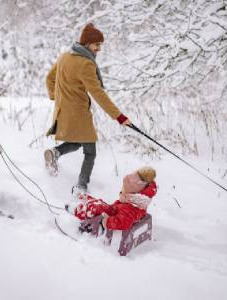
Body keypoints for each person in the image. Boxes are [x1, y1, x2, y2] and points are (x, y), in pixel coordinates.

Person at [44, 23, 131, 195]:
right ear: (87, 43)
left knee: (77, 142)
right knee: (90, 150)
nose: (99, 49)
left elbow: (49, 79)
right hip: (79, 112)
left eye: (100, 45)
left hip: (64, 109)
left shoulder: (65, 56)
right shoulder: (86, 64)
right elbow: (98, 93)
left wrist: (57, 98)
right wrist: (119, 117)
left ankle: (55, 153)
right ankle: (81, 187)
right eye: (96, 44)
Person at [67, 167, 157, 231]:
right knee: (99, 203)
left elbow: (123, 223)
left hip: (110, 217)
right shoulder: (134, 200)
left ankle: (75, 209)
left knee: (95, 209)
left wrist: (106, 221)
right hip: (114, 211)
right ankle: (82, 197)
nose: (122, 191)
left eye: (124, 189)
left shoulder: (131, 208)